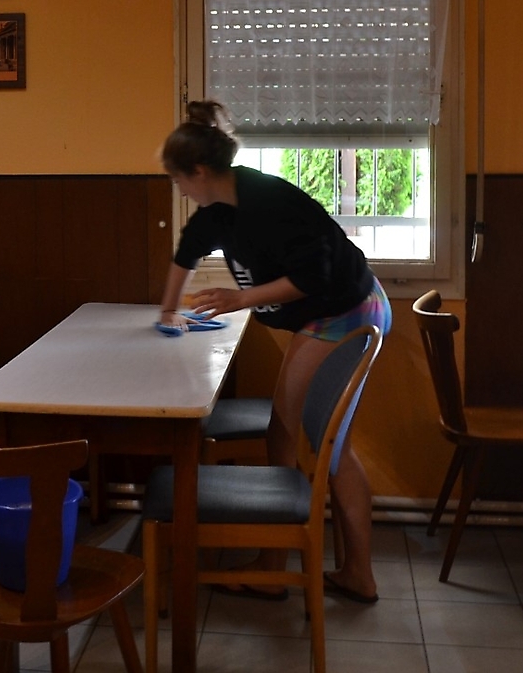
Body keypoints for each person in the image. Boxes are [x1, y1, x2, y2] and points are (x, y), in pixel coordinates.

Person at [158, 99, 390, 604]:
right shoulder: (217, 211)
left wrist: (238, 299)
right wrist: (168, 311)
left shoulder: (269, 202)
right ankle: (287, 564)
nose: (178, 189)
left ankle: (310, 570)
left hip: (348, 311)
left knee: (324, 443)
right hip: (334, 310)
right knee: (290, 433)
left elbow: (313, 277)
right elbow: (185, 256)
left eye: (178, 179)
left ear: (199, 171)